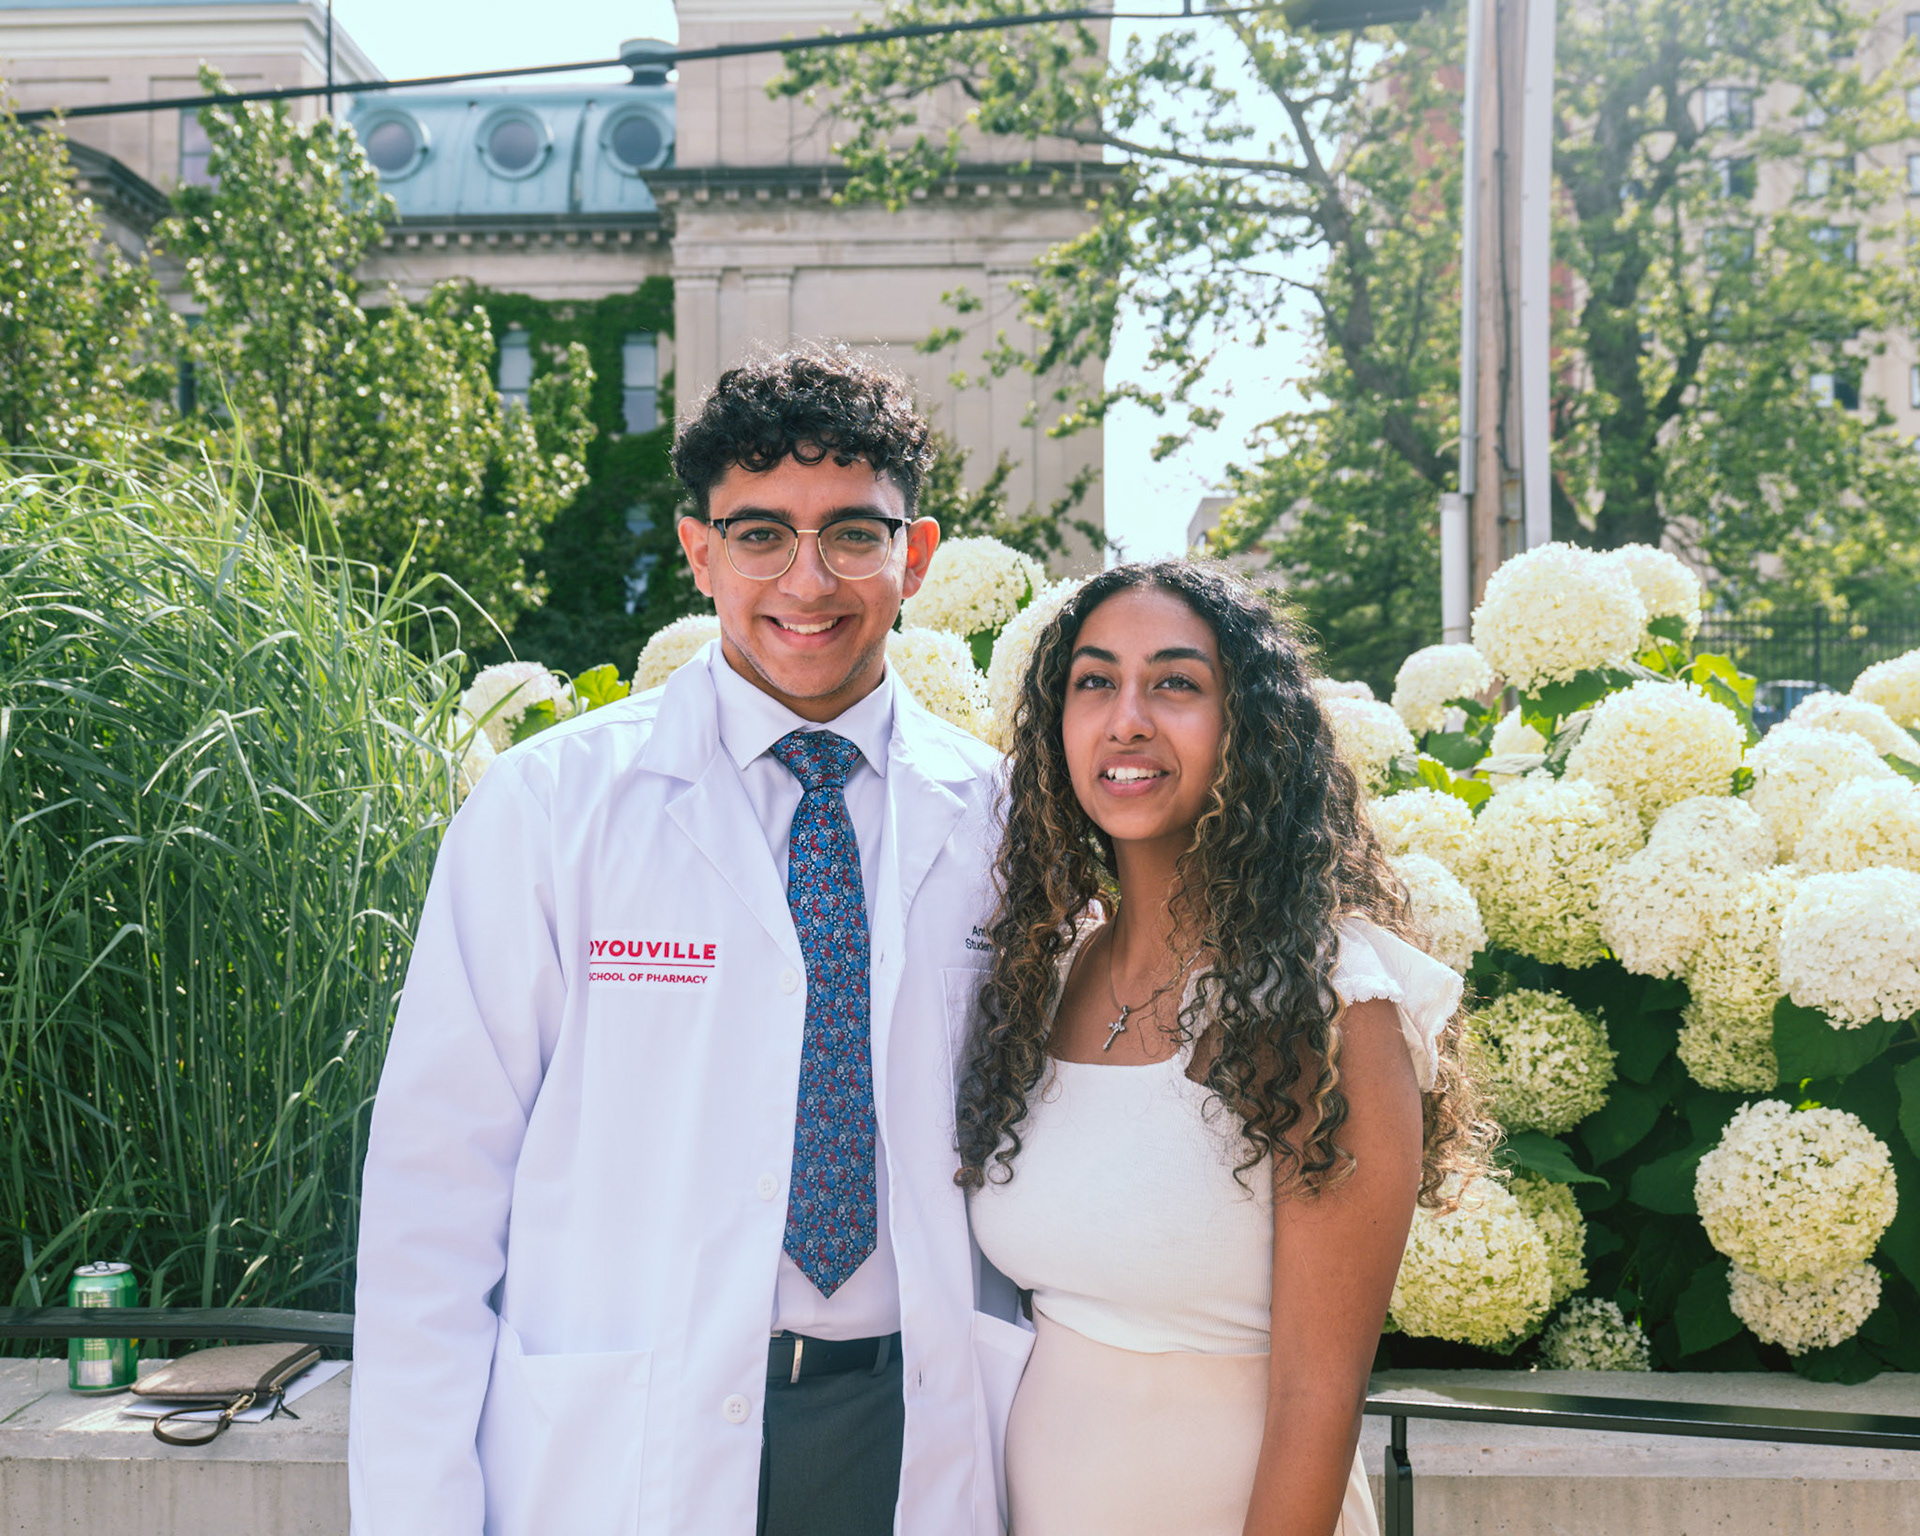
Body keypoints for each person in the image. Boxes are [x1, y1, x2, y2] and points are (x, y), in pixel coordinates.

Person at [348, 345, 1032, 1536]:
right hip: (626, 1443)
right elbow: (434, 1197)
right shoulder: (549, 809)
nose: (808, 579)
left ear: (915, 556)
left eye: (853, 534)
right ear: (699, 551)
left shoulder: (1004, 823)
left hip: (915, 1424)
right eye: (761, 534)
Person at [962, 561, 1489, 1536]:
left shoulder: (1325, 1004)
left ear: (1251, 727)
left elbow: (1319, 1401)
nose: (1126, 720)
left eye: (1175, 683)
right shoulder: (1052, 975)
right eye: (1094, 682)